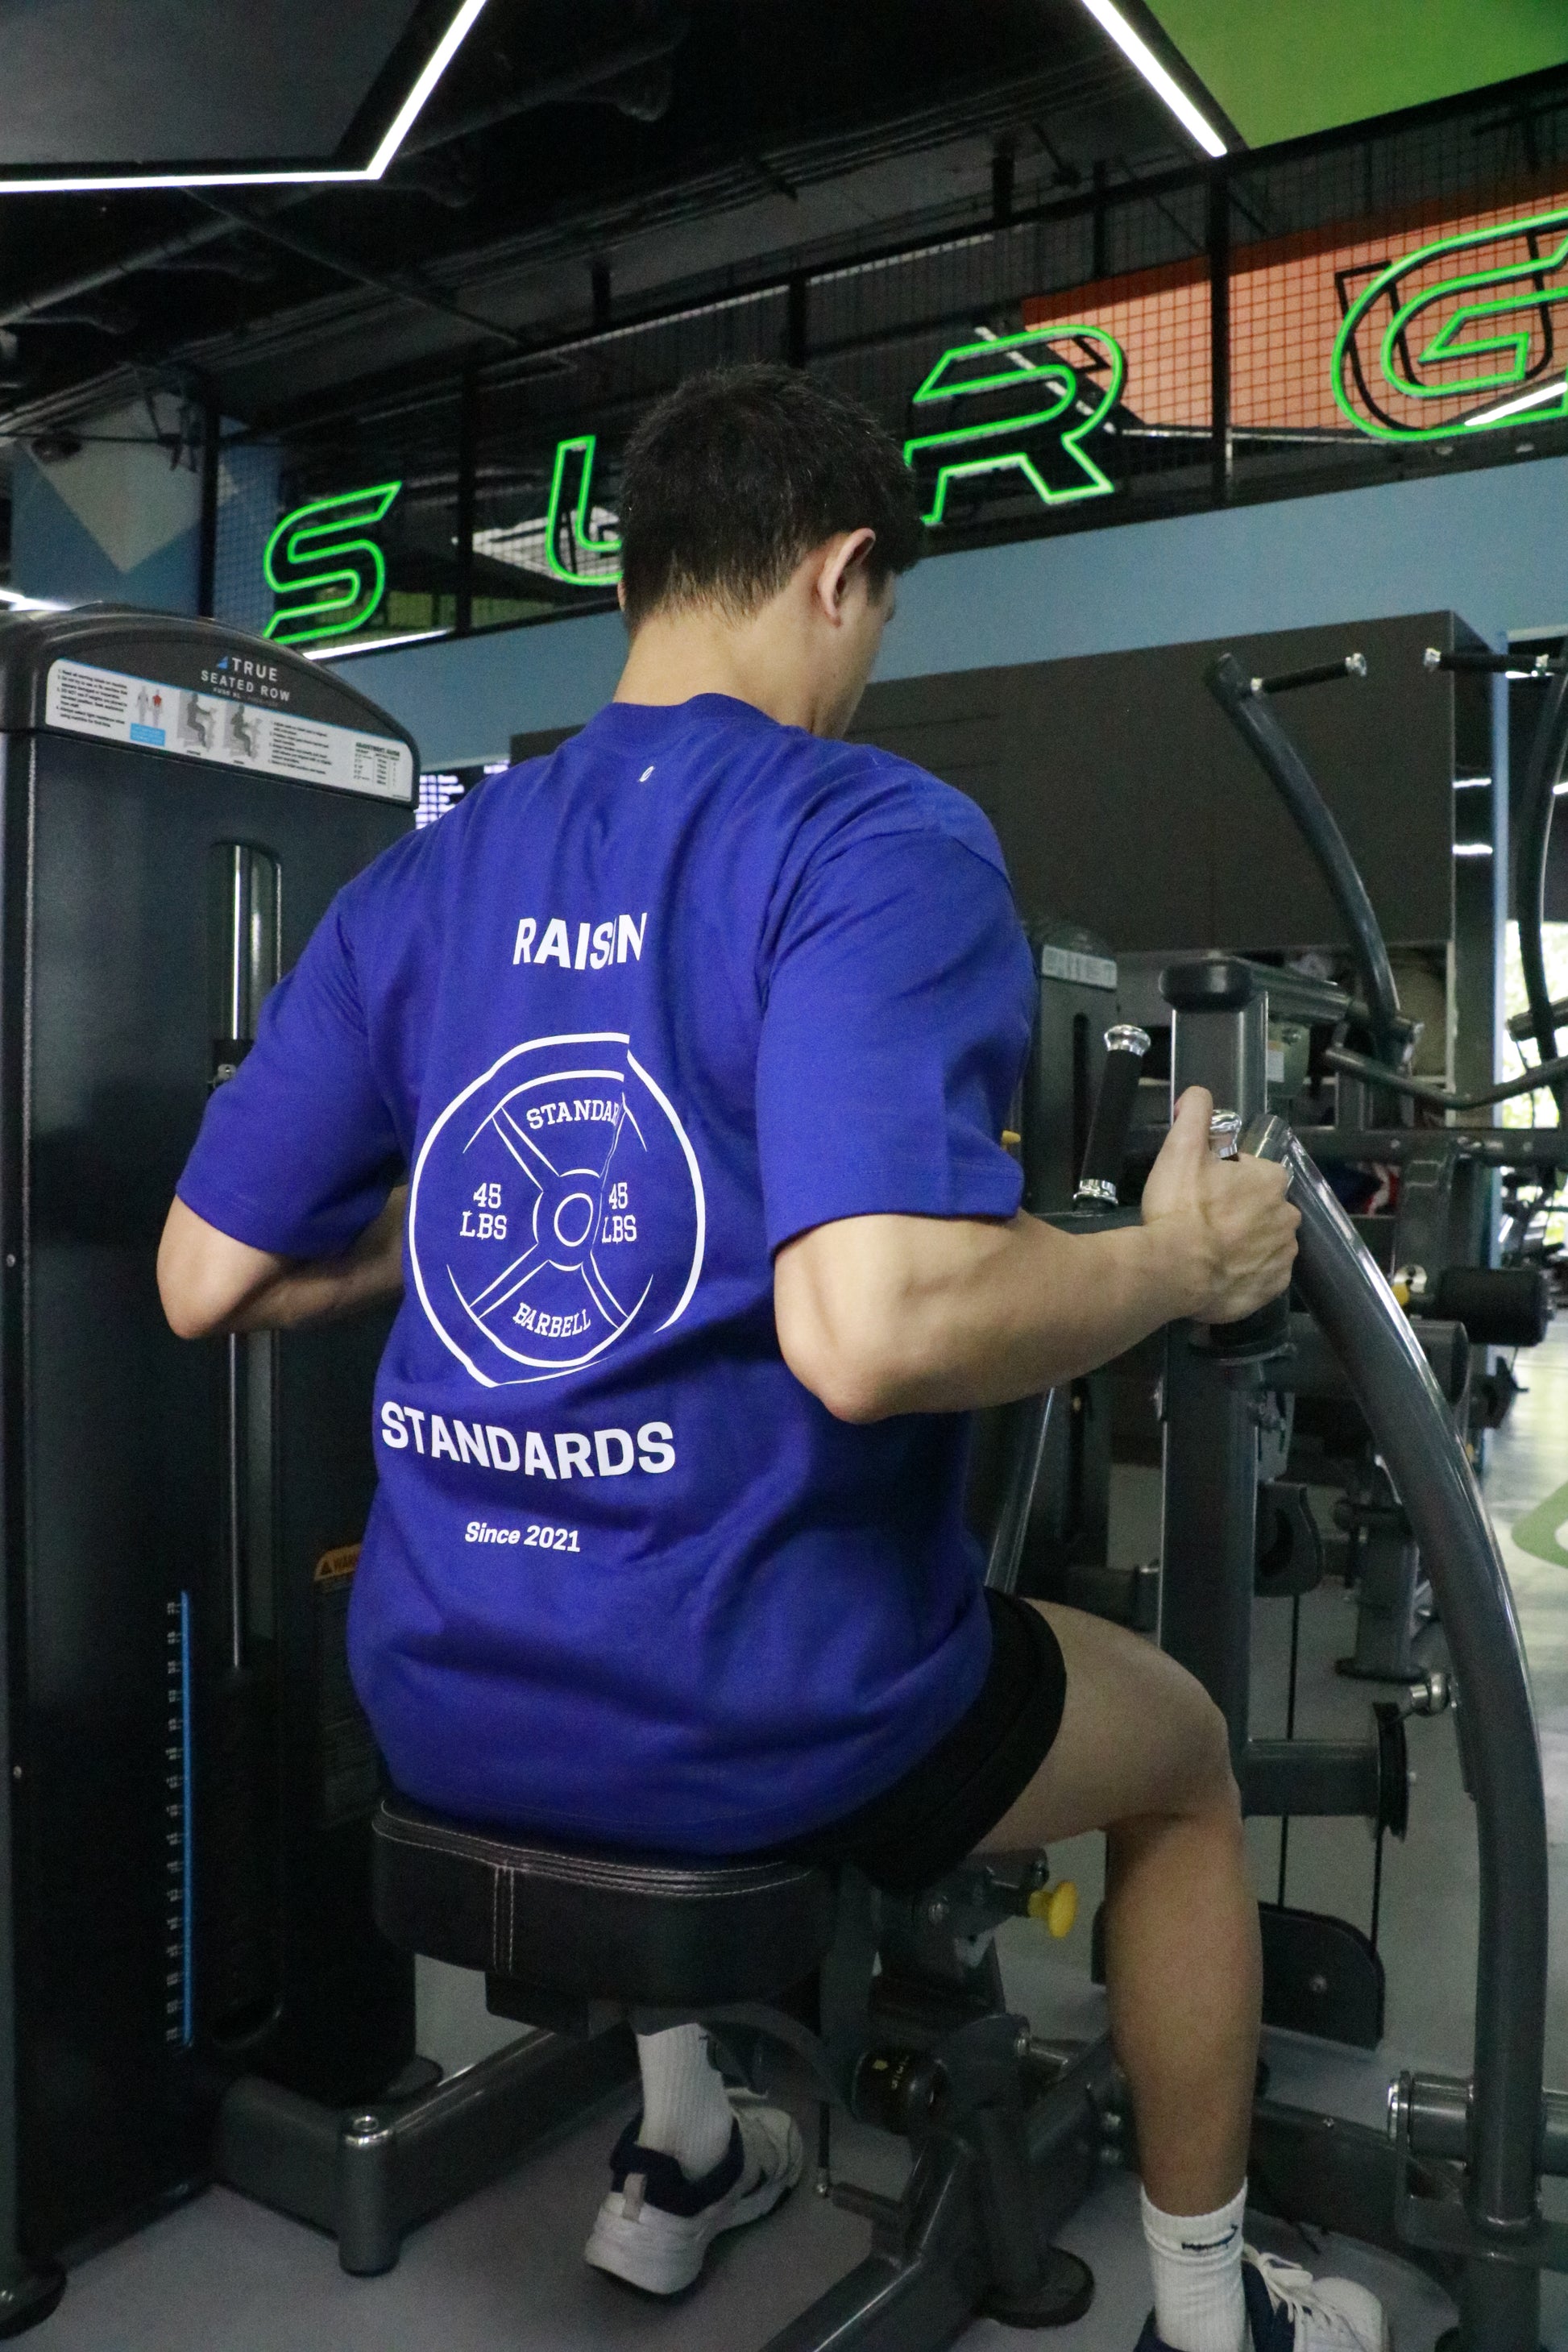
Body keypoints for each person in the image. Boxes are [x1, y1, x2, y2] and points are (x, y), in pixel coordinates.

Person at [159, 363, 1382, 2352]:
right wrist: (1169, 1260)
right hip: (753, 1717)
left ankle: (684, 2146)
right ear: (839, 573)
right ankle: (1208, 2310)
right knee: (1177, 1756)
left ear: (635, 577)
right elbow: (873, 1325)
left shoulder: (438, 866)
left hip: (438, 1693)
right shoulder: (870, 829)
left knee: (635, 1614)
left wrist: (442, 1220)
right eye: (879, 614)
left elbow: (203, 1271)